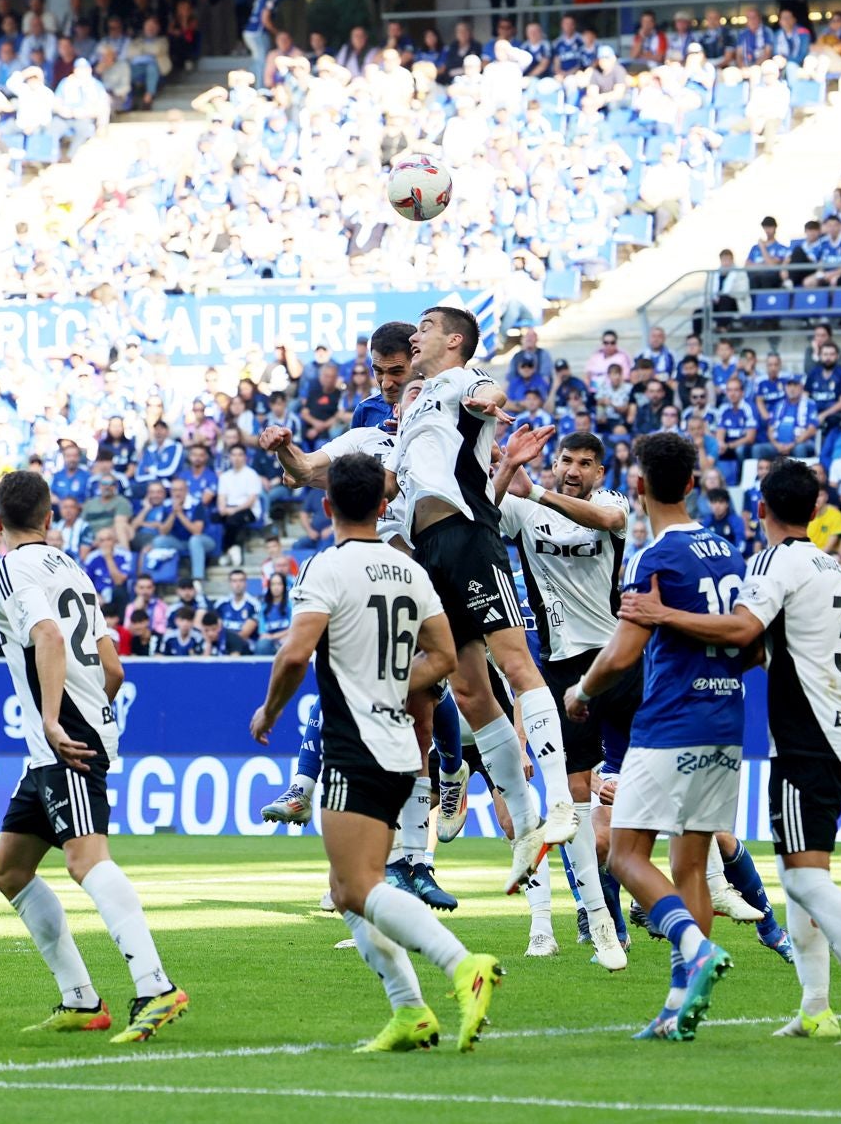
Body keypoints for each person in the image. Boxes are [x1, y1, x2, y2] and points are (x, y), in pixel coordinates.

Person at [617, 457, 841, 1046]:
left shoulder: (773, 562)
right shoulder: (829, 562)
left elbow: (740, 632)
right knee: (797, 873)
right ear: (815, 511)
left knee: (806, 882)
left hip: (810, 734)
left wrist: (660, 614)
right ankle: (815, 1007)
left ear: (760, 509)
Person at [249, 453, 503, 1054]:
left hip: (352, 745)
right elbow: (443, 657)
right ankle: (409, 1011)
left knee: (359, 887)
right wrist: (391, 683)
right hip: (398, 750)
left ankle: (462, 964)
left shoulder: (326, 568)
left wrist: (270, 711)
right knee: (345, 889)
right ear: (384, 505)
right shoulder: (409, 571)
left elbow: (293, 655)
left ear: (328, 505)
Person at [0, 469, 188, 1043]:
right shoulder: (71, 567)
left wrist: (54, 718)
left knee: (85, 860)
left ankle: (156, 986)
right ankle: (80, 999)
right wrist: (93, 714)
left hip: (61, 735)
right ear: (50, 519)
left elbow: (47, 637)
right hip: (66, 735)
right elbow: (114, 668)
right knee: (11, 870)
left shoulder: (10, 568)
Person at [563, 432, 741, 1039]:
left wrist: (582, 693)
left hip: (669, 724)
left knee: (623, 853)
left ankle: (694, 948)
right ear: (692, 483)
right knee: (690, 861)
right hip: (727, 722)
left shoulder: (652, 558)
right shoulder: (727, 550)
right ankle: (680, 1007)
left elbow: (623, 653)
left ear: (638, 487)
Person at [401, 306, 576, 891]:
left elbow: (488, 389)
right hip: (428, 551)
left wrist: (486, 401)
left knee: (516, 664)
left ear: (453, 341)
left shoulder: (459, 380)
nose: (414, 334)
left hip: (469, 536)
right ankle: (527, 826)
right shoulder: (417, 398)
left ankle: (560, 804)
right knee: (471, 692)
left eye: (425, 327)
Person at [491, 426, 635, 968]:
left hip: (613, 662)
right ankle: (600, 915)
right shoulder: (522, 509)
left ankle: (654, 890)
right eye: (565, 461)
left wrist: (535, 492)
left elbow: (610, 523)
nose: (573, 470)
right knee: (575, 807)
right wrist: (504, 468)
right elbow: (485, 514)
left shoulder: (609, 503)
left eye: (584, 464)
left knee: (628, 806)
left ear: (601, 473)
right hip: (556, 669)